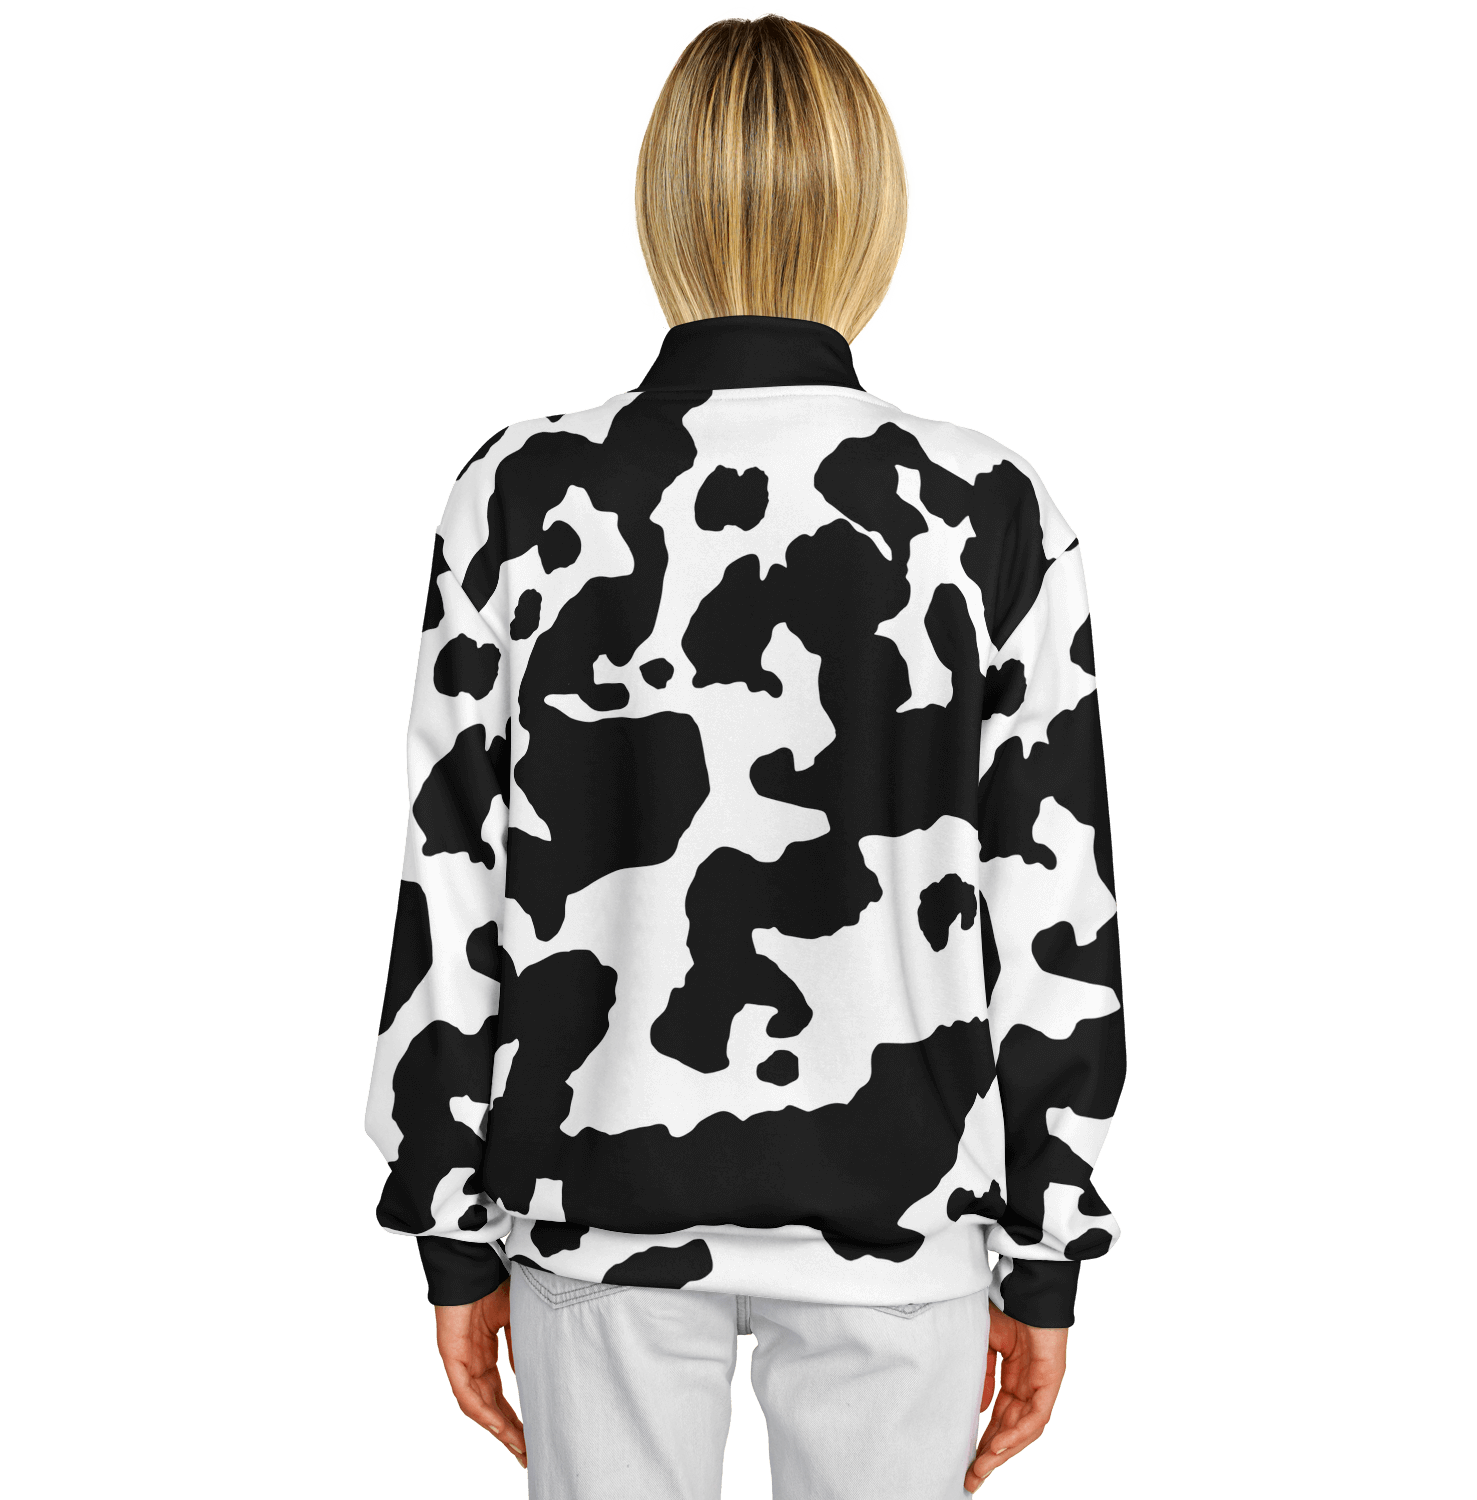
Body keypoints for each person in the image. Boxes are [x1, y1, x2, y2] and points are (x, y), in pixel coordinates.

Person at [364, 10, 1126, 1497]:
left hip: (593, 1211)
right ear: (878, 212)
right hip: (905, 1226)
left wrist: (448, 1226)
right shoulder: (989, 506)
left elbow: (452, 887)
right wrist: (1047, 1252)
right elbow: (1053, 905)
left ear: (657, 208)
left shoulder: (521, 494)